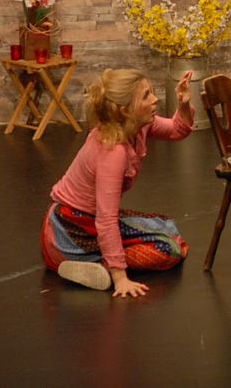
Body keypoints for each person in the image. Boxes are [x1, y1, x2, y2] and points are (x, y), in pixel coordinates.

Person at [41, 68, 196, 297]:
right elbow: (106, 220)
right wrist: (120, 278)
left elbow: (177, 130)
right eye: (146, 96)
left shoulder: (137, 125)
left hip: (82, 220)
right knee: (169, 250)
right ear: (125, 110)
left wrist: (183, 104)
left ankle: (92, 259)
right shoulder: (113, 151)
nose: (155, 99)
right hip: (72, 228)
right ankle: (96, 265)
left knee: (168, 227)